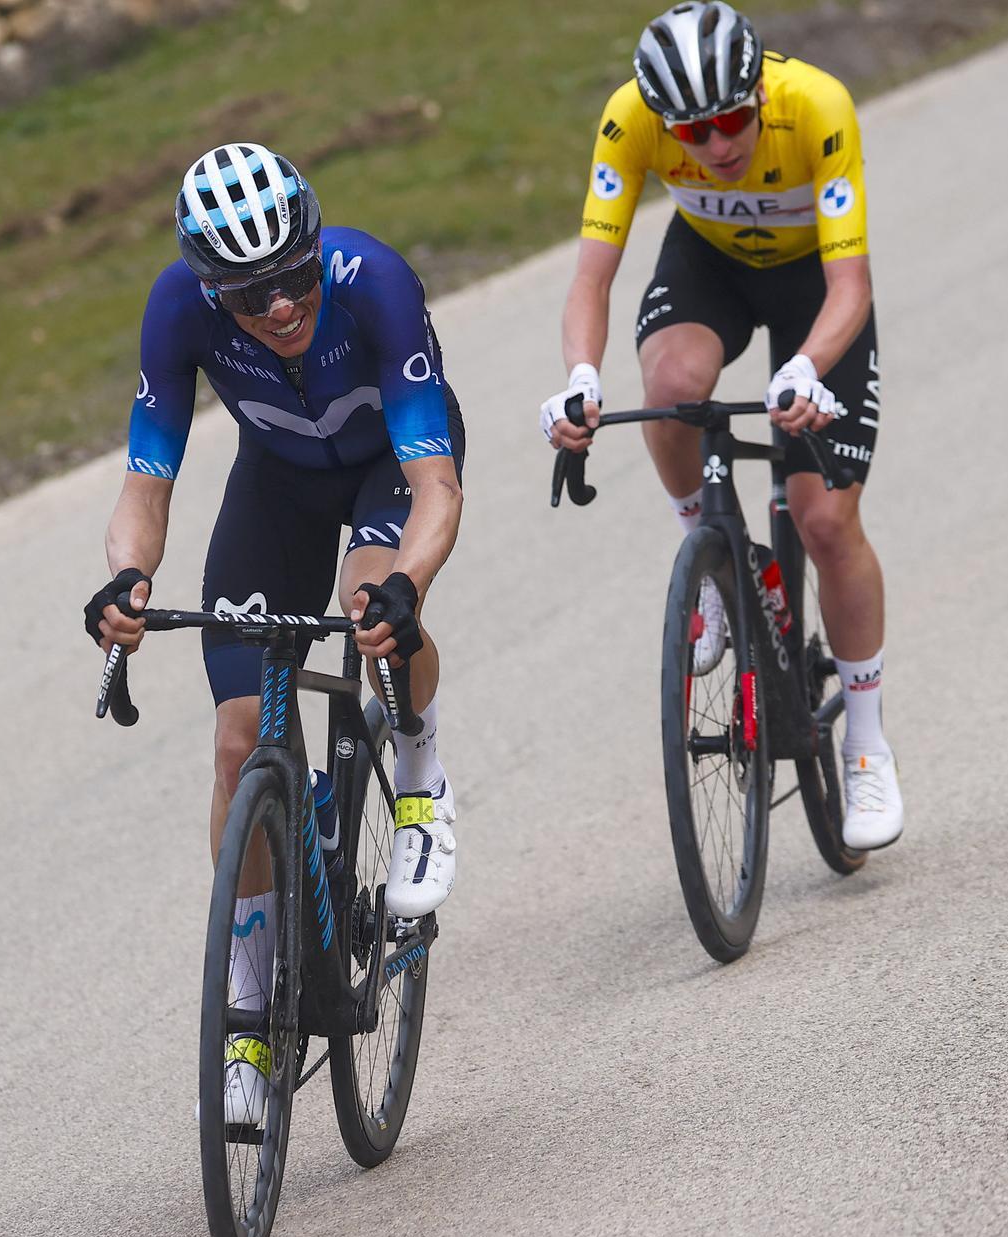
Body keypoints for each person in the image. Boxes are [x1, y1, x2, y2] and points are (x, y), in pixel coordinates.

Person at [84, 142, 463, 1120]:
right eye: (252, 298)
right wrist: (127, 580)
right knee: (236, 740)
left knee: (368, 598)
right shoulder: (176, 309)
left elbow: (437, 486)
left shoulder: (372, 280)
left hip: (389, 467)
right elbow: (145, 478)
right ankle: (248, 1014)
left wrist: (406, 586)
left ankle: (419, 780)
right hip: (280, 487)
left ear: (315, 246)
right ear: (213, 294)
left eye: (293, 277)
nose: (282, 307)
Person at [540, 1, 902, 851]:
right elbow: (592, 278)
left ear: (758, 91)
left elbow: (852, 286)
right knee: (668, 387)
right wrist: (580, 379)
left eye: (734, 120)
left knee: (823, 520)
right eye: (693, 134)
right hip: (712, 261)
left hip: (816, 283)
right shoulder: (628, 120)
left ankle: (867, 741)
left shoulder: (817, 104)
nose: (718, 146)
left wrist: (807, 366)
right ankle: (709, 561)